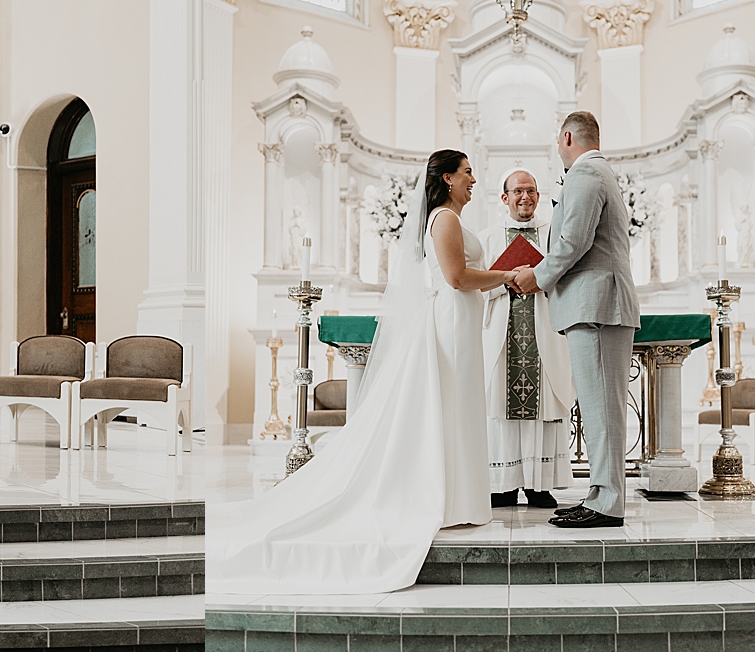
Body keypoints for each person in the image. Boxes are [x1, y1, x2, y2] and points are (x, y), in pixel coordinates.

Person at [209, 150, 515, 594]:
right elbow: (456, 278)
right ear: (447, 178)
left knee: (458, 408)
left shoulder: (446, 218)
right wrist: (505, 276)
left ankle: (458, 499)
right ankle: (449, 500)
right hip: (452, 320)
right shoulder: (444, 219)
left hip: (460, 321)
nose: (473, 179)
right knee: (452, 406)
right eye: (467, 172)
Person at [511, 111, 640, 529]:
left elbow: (574, 241)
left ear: (567, 137)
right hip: (597, 305)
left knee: (603, 409)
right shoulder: (598, 173)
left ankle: (607, 503)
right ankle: (601, 495)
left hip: (598, 305)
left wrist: (537, 277)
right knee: (601, 407)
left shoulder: (586, 174)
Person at [482, 169, 575, 508]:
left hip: (545, 333)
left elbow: (567, 278)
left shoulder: (556, 236)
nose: (526, 197)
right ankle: (503, 484)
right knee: (500, 410)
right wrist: (505, 279)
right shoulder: (488, 238)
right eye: (518, 191)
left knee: (544, 406)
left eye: (531, 191)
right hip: (501, 335)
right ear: (504, 198)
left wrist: (541, 277)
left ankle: (539, 484)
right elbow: (473, 287)